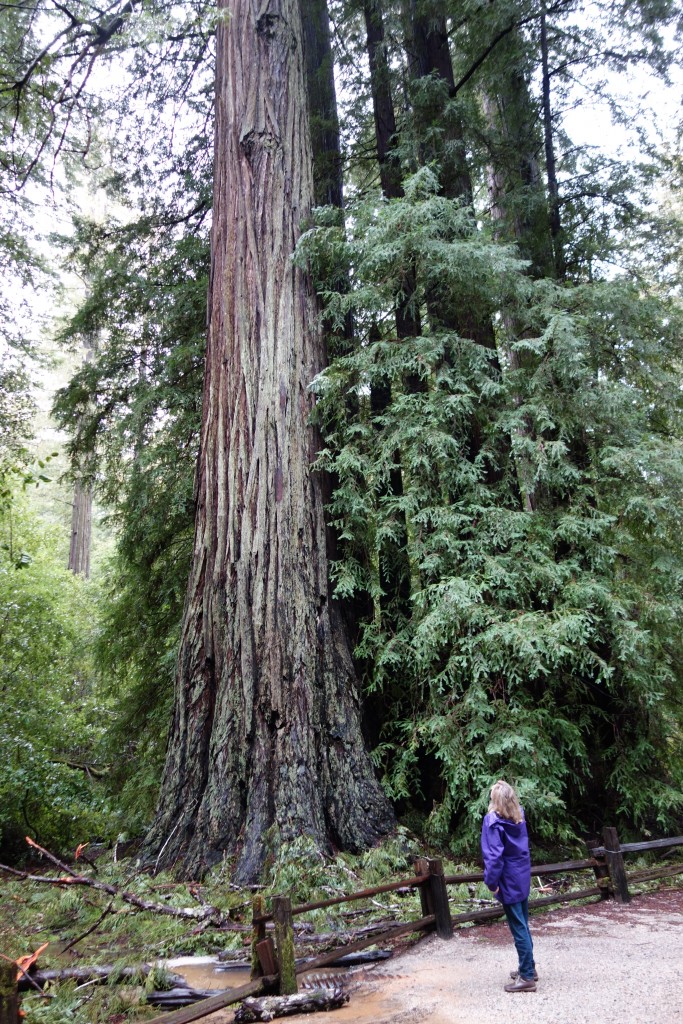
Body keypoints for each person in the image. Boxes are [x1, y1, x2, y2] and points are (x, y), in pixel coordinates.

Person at [481, 780, 537, 992]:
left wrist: (492, 883)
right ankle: (529, 967)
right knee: (523, 922)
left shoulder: (493, 822)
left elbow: (494, 857)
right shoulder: (518, 815)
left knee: (518, 926)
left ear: (496, 800)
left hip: (508, 879)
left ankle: (527, 977)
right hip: (521, 875)